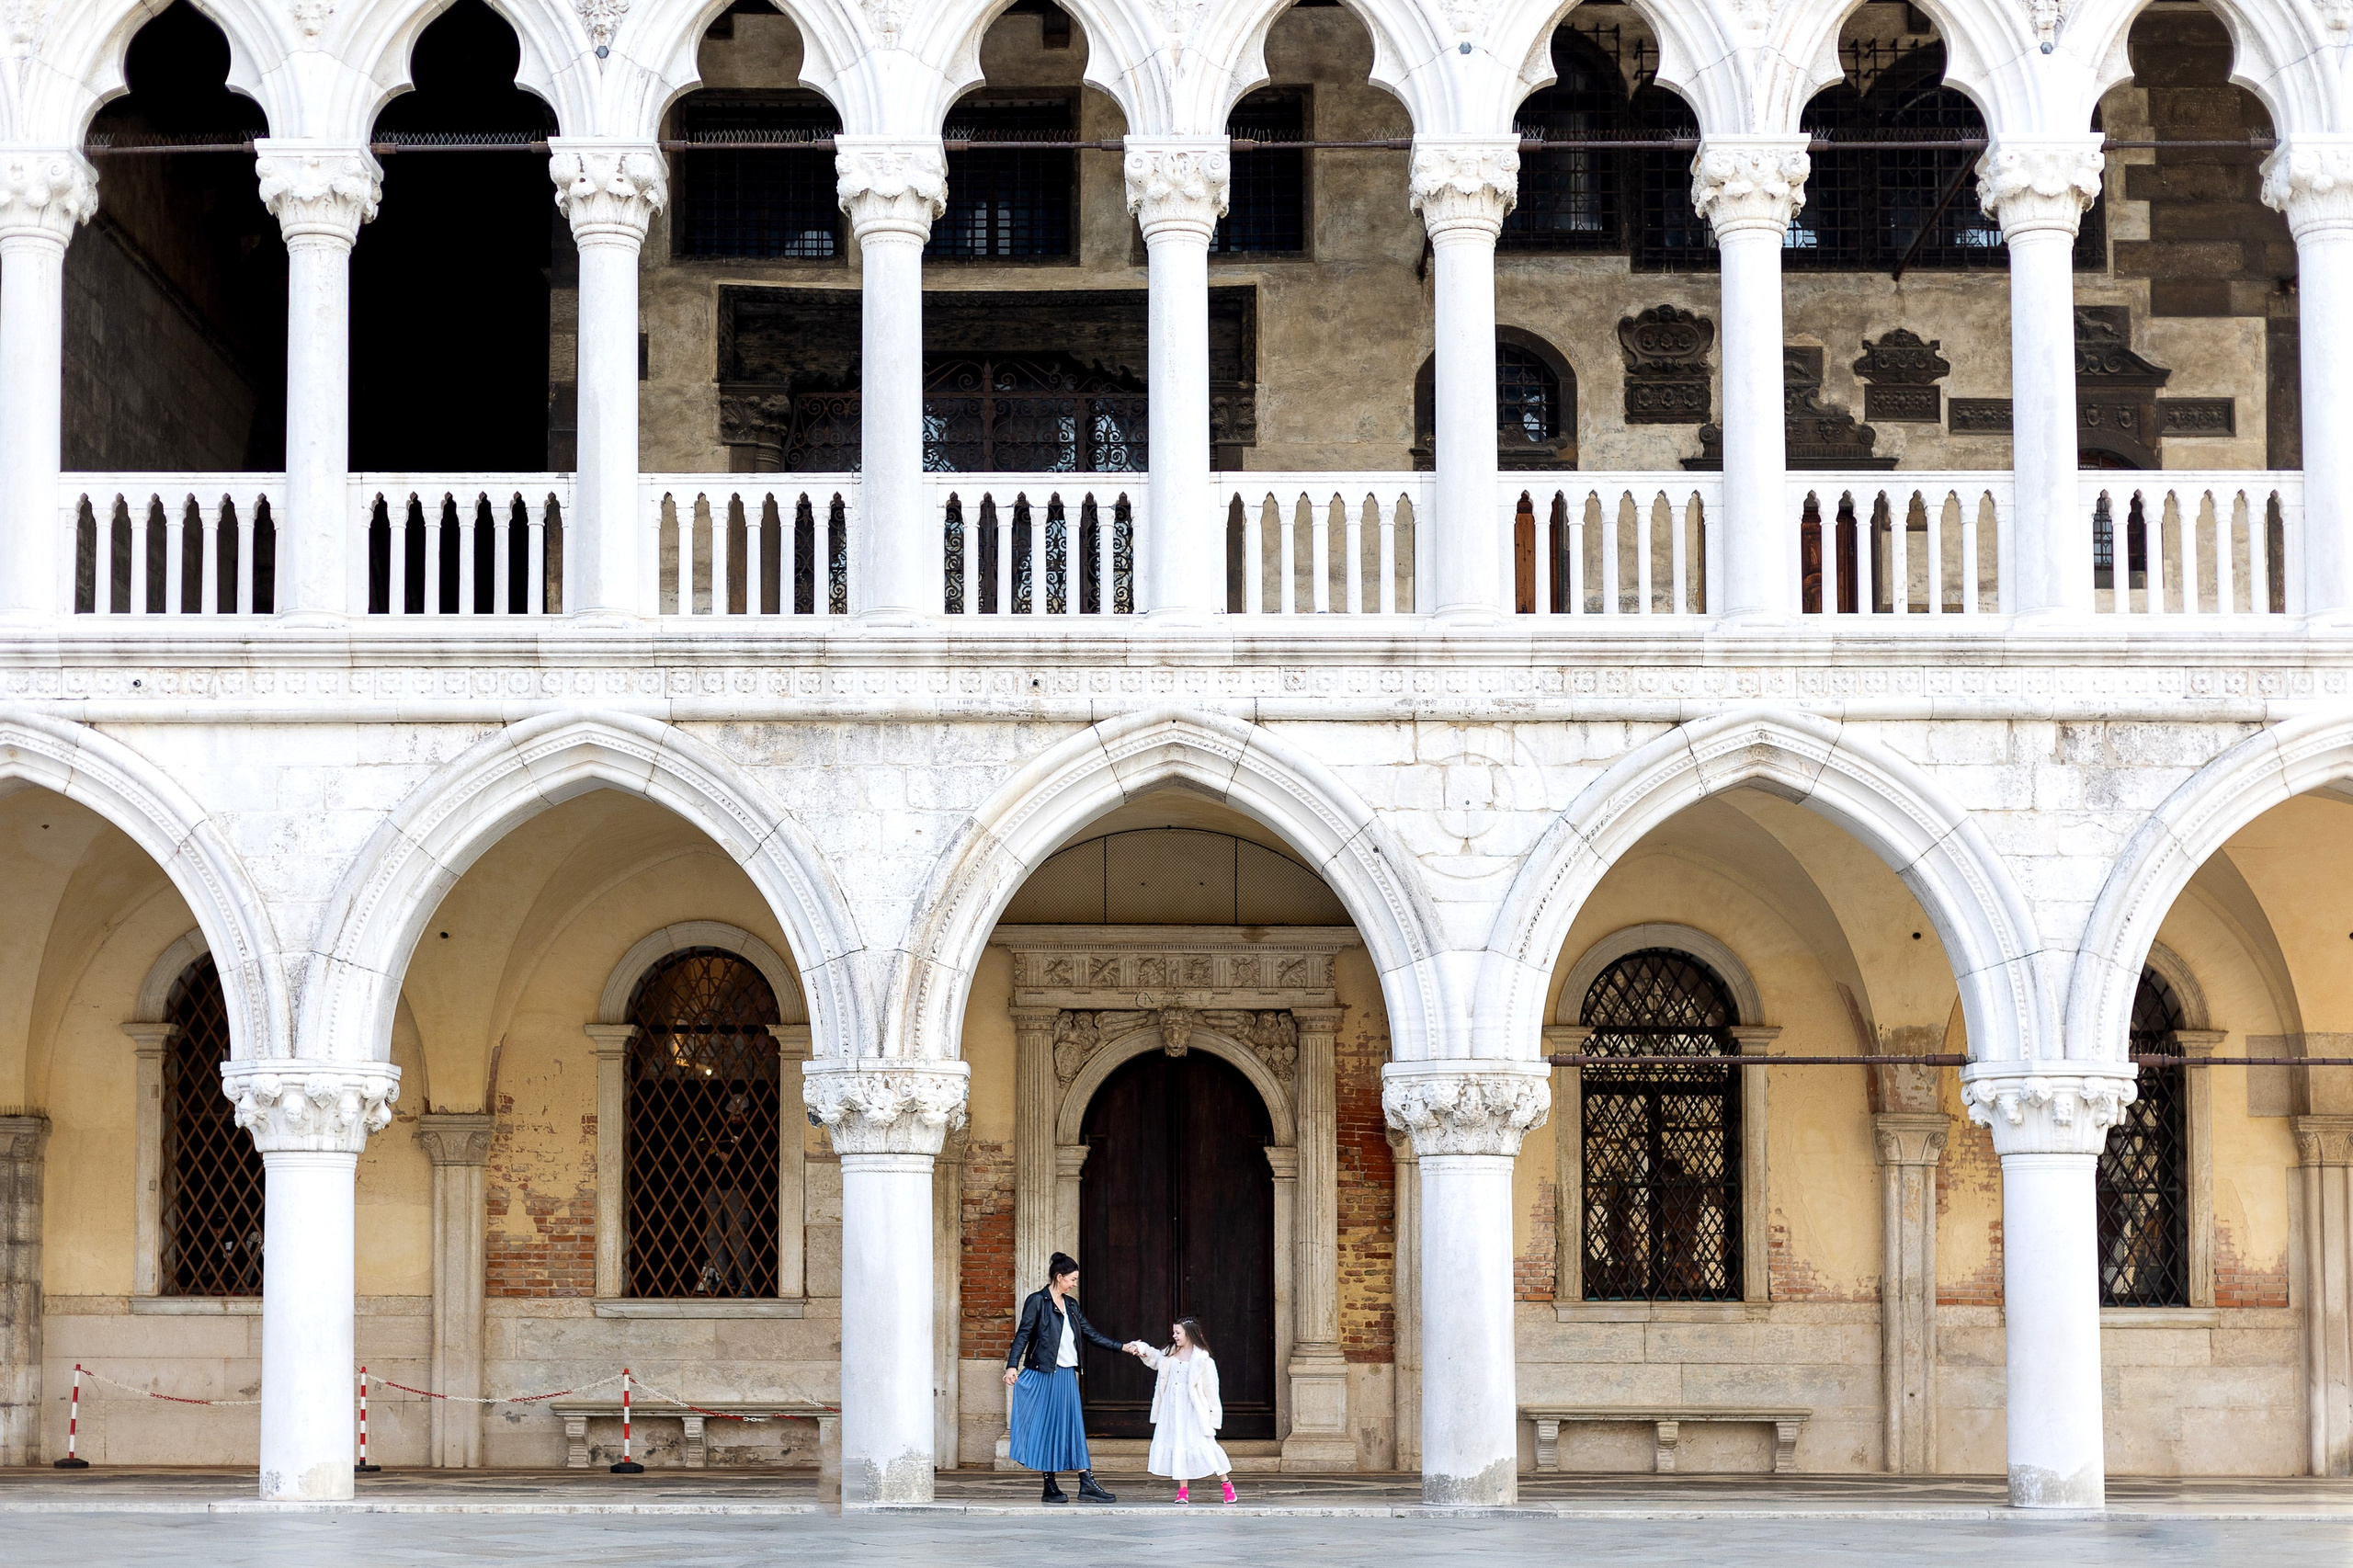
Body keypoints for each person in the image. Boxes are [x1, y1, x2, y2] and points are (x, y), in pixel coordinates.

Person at [1004, 1252, 1138, 1505]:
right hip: (1044, 1374)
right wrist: (1012, 1366)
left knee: (1073, 1428)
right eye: (1072, 1279)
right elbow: (1022, 1335)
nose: (1074, 1284)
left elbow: (1090, 1334)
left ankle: (1086, 1483)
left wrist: (1123, 1346)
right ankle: (1050, 1486)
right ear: (1059, 1276)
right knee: (1046, 1429)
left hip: (1066, 1376)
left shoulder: (1072, 1305)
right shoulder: (1037, 1301)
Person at [1129, 1317, 1234, 1506]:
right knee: (1178, 1444)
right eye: (1174, 1332)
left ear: (1189, 1334)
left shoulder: (1203, 1360)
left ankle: (1226, 1484)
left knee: (1206, 1446)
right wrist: (1141, 1349)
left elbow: (1212, 1391)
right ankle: (1183, 1490)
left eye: (1178, 1332)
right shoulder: (1170, 1353)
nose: (1174, 1336)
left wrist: (1213, 1419)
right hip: (1172, 1408)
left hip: (1193, 1410)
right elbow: (1154, 1358)